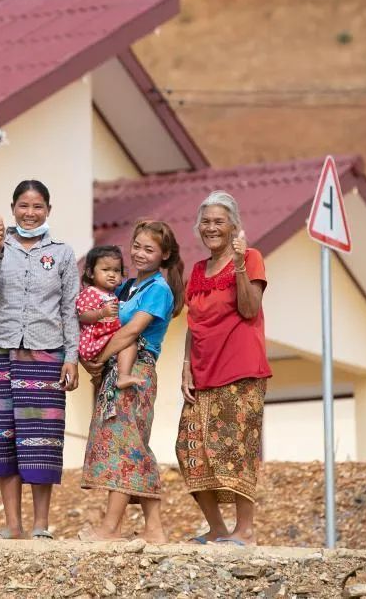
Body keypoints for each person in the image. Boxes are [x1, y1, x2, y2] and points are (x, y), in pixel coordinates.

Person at [0, 180, 80, 540]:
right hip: (1, 348)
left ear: (48, 210)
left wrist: (72, 356)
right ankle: (13, 526)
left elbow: (69, 309)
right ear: (13, 208)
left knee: (42, 439)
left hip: (46, 352)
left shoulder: (62, 253)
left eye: (37, 207)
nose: (30, 213)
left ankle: (40, 526)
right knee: (3, 435)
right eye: (23, 206)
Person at [79, 220, 185, 543]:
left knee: (125, 446)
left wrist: (99, 358)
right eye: (136, 246)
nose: (139, 253)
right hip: (117, 368)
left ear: (164, 255)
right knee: (132, 446)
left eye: (149, 249)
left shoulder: (158, 290)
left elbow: (132, 331)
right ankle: (154, 529)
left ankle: (111, 528)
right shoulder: (125, 287)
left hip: (136, 370)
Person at [176, 191, 272, 546]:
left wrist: (240, 265)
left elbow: (249, 309)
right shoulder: (198, 270)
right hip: (202, 372)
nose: (211, 227)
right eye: (206, 222)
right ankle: (217, 528)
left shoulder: (251, 258)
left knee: (237, 448)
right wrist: (186, 365)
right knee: (188, 449)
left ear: (234, 226)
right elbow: (193, 322)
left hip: (239, 369)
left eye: (219, 221)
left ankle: (245, 530)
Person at [76, 245, 142, 389]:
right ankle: (123, 376)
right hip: (94, 340)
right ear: (90, 273)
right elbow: (82, 316)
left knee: (127, 343)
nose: (112, 274)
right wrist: (101, 313)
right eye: (105, 270)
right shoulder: (90, 292)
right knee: (129, 343)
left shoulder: (111, 294)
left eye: (116, 270)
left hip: (105, 337)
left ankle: (99, 378)